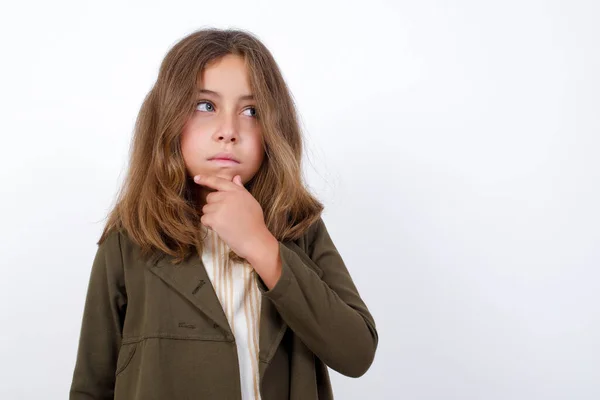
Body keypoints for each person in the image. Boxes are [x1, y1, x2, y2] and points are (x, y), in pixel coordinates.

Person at [69, 28, 378, 400]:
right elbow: (91, 385)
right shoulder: (130, 237)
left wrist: (261, 245)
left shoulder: (299, 226)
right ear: (168, 117)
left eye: (251, 111)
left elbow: (357, 352)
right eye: (205, 105)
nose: (228, 131)